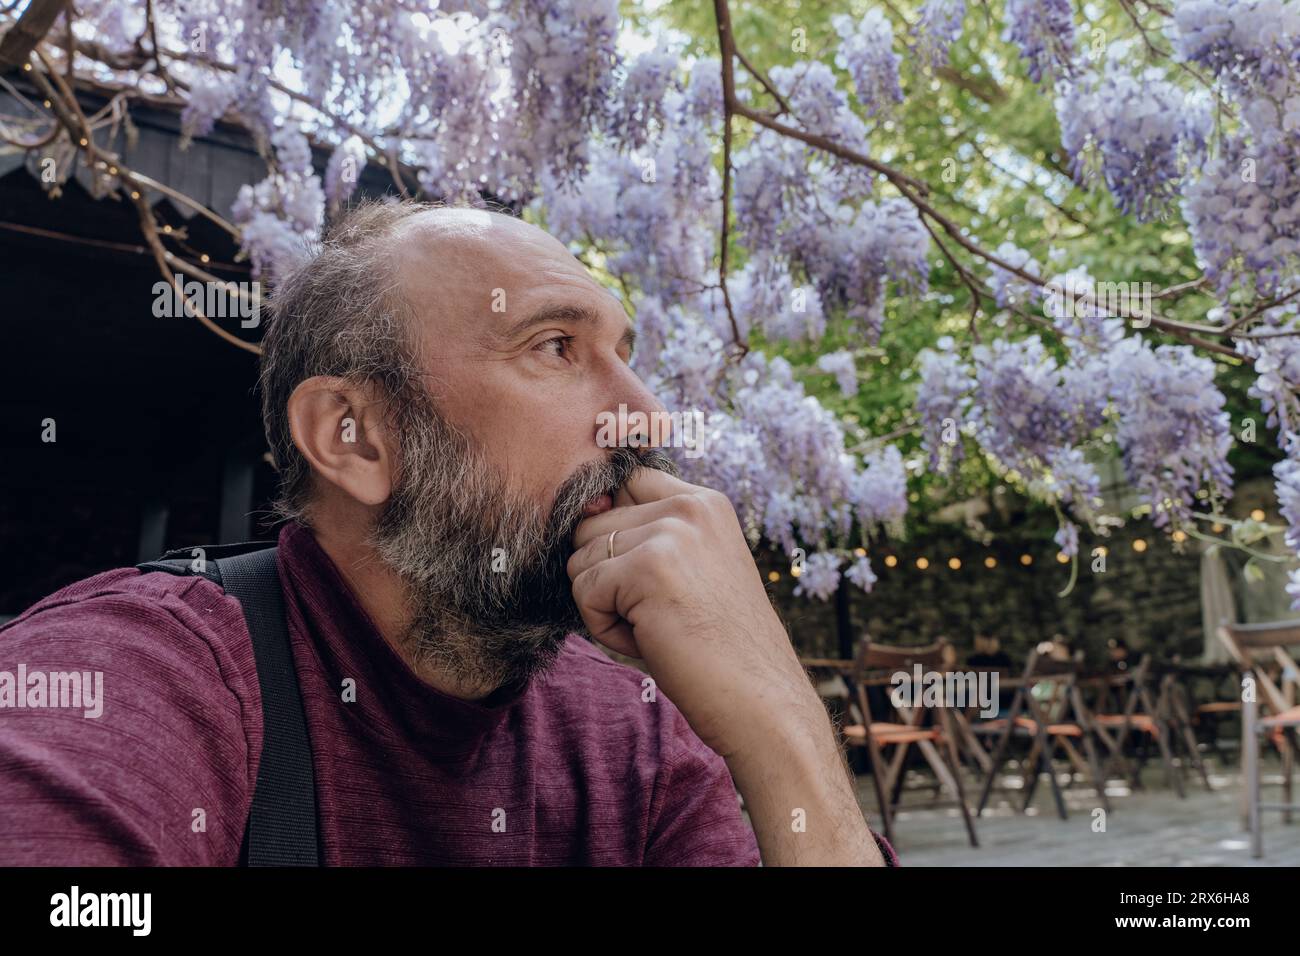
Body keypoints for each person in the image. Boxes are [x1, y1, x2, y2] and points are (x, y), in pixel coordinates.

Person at [0, 201, 895, 867]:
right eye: (555, 347)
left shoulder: (637, 731)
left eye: (627, 355)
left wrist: (785, 728)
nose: (645, 416)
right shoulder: (137, 677)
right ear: (354, 436)